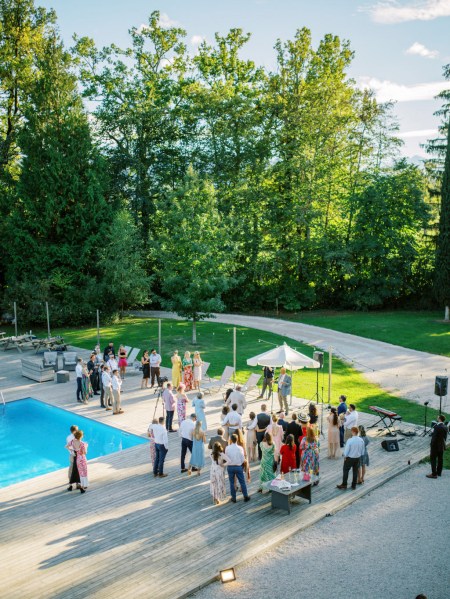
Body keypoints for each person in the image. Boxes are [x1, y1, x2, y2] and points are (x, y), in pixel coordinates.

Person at [225, 434, 251, 503]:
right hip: (238, 467)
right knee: (242, 482)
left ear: (230, 439)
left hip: (230, 467)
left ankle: (233, 498)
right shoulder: (240, 448)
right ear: (237, 439)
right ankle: (245, 496)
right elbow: (243, 459)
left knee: (232, 482)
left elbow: (226, 457)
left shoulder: (227, 448)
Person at [426, 414, 448, 479]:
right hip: (441, 445)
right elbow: (445, 437)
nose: (437, 418)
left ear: (440, 419)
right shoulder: (445, 426)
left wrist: (431, 444)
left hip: (435, 446)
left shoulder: (437, 427)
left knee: (433, 459)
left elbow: (434, 438)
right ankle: (439, 472)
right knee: (440, 459)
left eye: (438, 417)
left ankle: (434, 474)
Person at [65, 425, 78, 490]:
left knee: (71, 468)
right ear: (75, 430)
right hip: (75, 455)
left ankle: (70, 482)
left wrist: (71, 451)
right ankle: (77, 484)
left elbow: (67, 446)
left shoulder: (68, 437)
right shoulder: (76, 437)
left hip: (71, 454)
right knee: (76, 468)